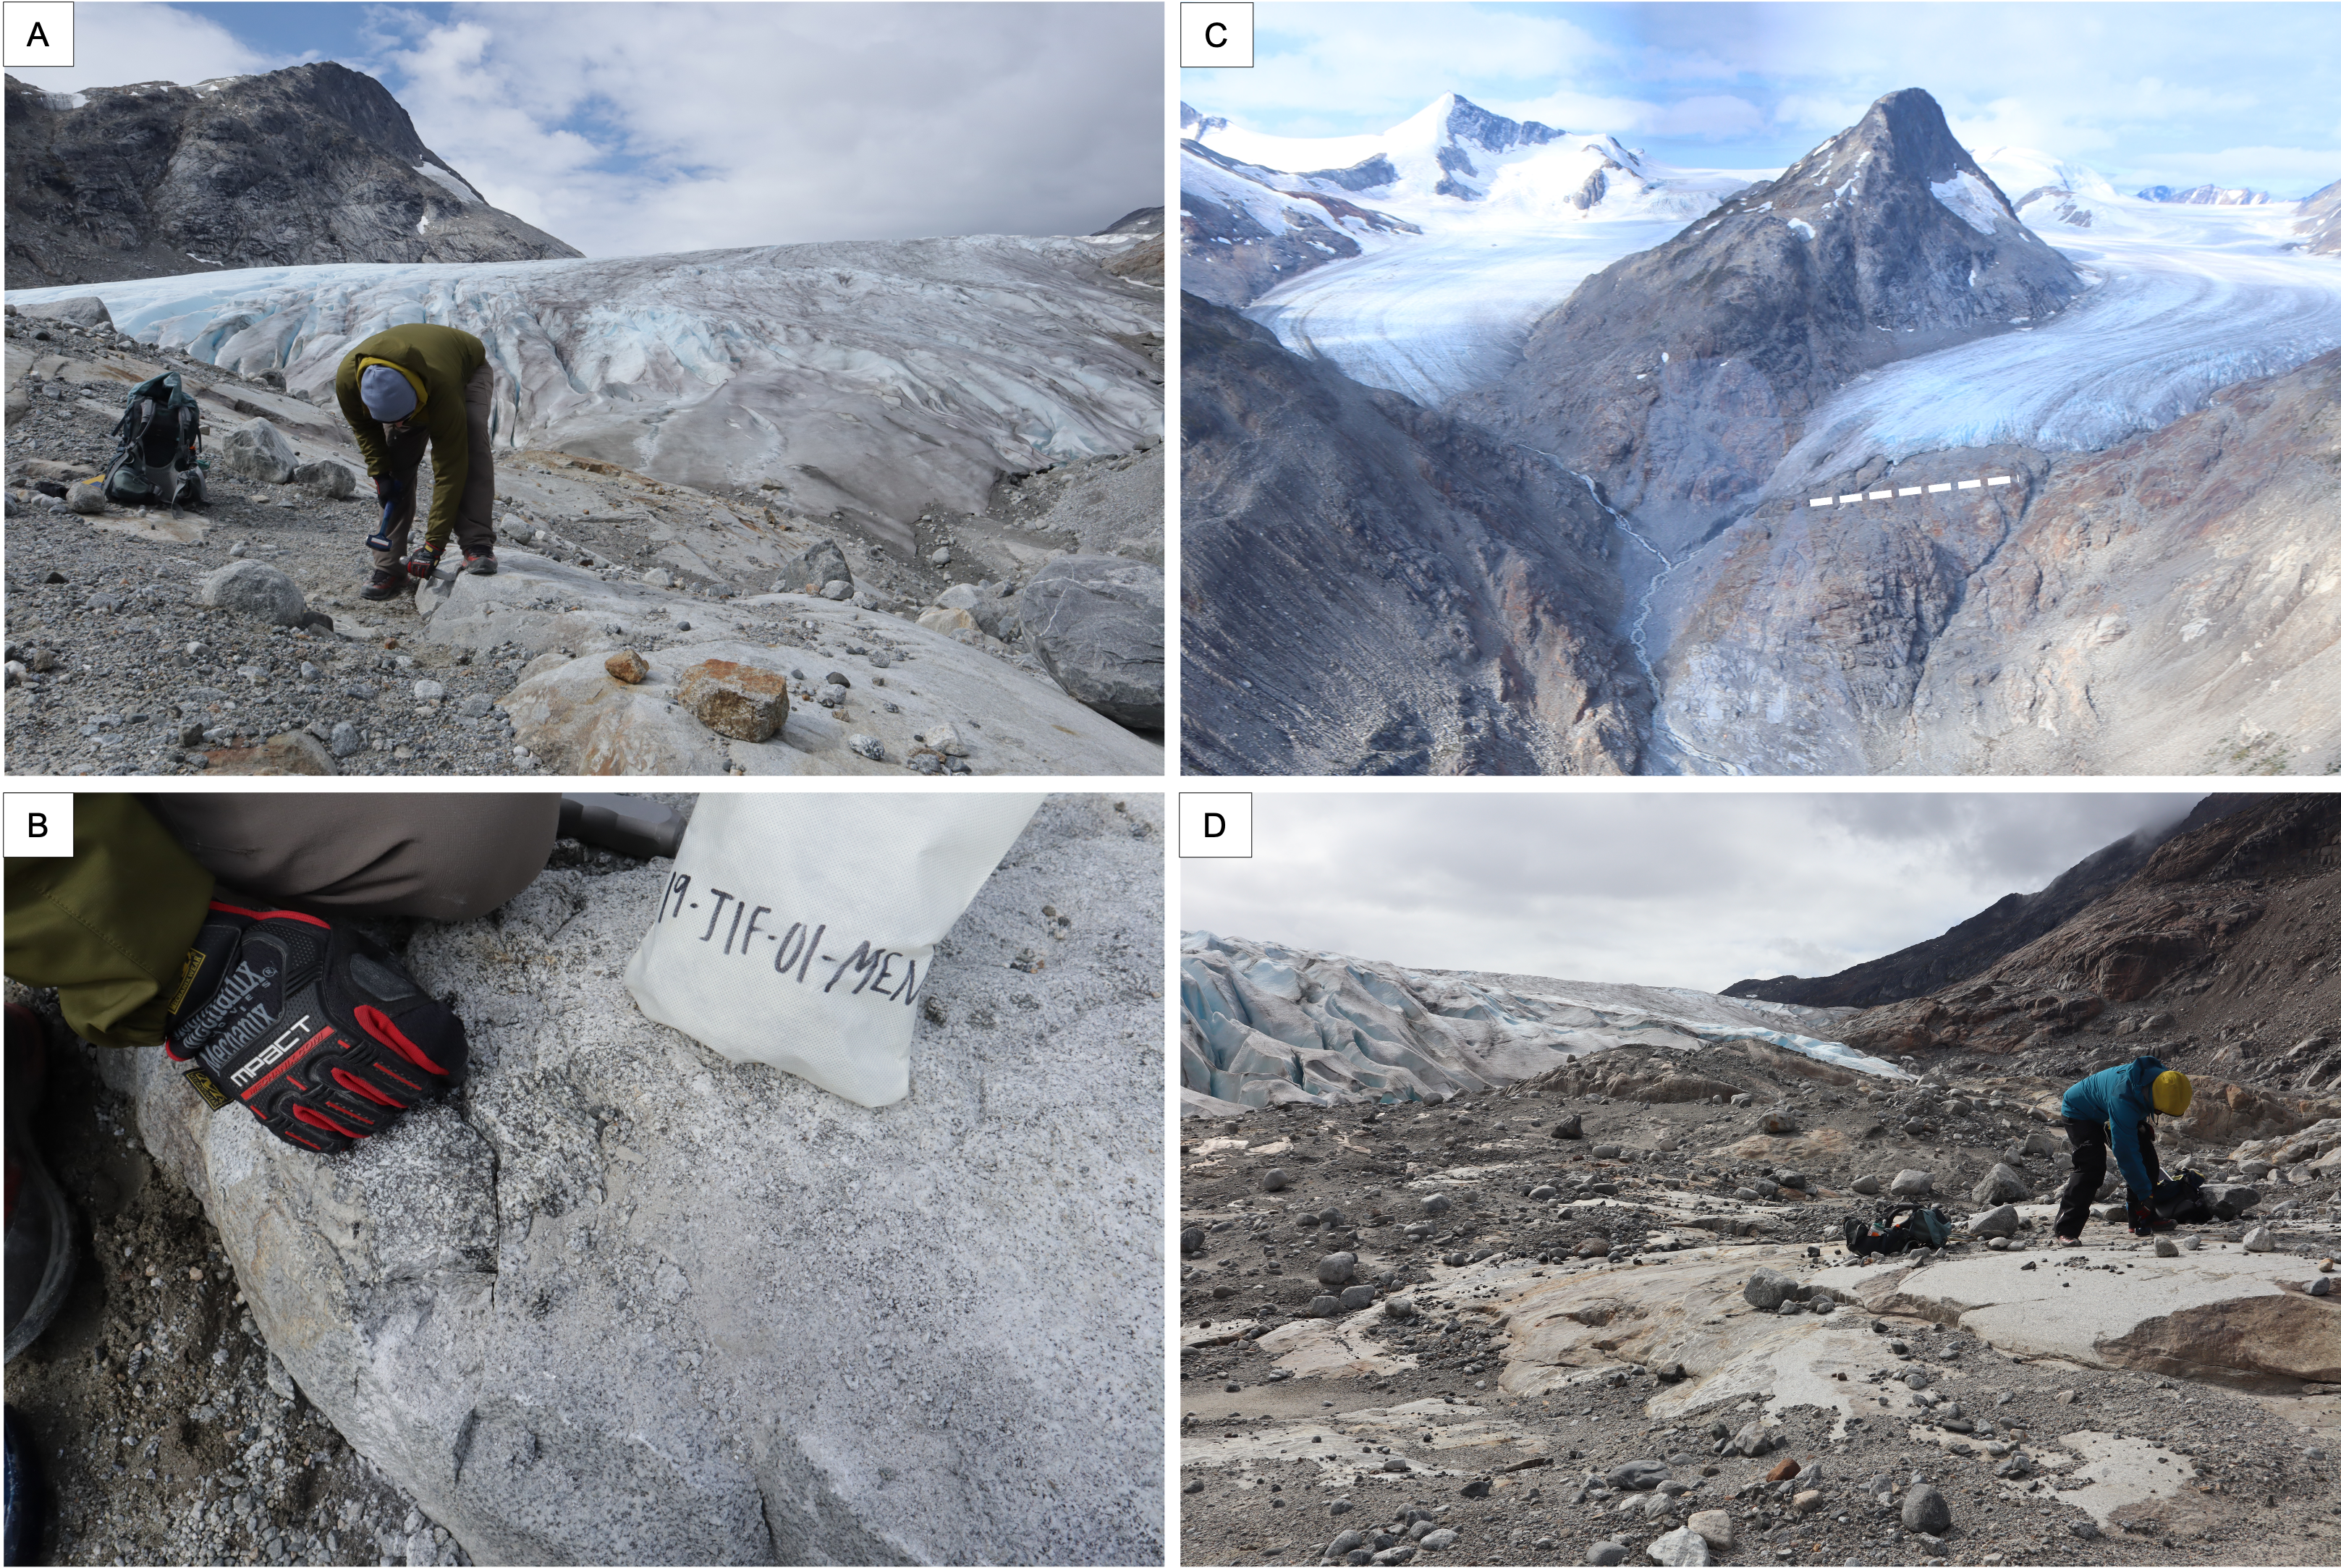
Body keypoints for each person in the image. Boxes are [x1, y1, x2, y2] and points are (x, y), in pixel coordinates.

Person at [333, 323, 500, 601]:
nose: (399, 424)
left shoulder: (443, 388)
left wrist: (433, 546)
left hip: (463, 371)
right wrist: (381, 474)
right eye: (391, 420)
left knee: (470, 447)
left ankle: (477, 543)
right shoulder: (348, 382)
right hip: (416, 386)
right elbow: (364, 429)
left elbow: (450, 468)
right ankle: (388, 566)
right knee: (396, 461)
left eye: (403, 417)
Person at [2052, 1054, 2193, 1244]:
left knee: (2147, 1158)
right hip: (2080, 1112)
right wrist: (2145, 1194)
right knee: (2091, 1167)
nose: (2159, 1113)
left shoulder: (2163, 1081)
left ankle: (2142, 1219)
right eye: (2159, 1111)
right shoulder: (2123, 1097)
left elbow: (2140, 1109)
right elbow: (2125, 1153)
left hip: (2108, 1108)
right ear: (2151, 1095)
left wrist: (2141, 1124)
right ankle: (2066, 1229)